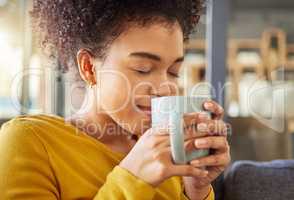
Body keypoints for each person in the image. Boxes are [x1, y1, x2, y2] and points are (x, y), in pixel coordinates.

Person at [0, 1, 231, 199]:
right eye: (143, 69)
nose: (165, 88)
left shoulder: (169, 152)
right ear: (89, 68)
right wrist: (134, 178)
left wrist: (196, 190)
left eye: (173, 71)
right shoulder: (29, 142)